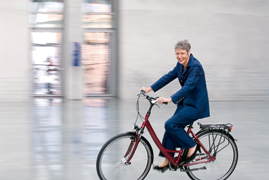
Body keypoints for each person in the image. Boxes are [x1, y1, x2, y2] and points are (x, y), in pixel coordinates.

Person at [140, 40, 210, 172]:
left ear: (189, 52)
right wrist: (149, 89)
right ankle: (168, 159)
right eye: (177, 53)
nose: (179, 56)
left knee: (170, 124)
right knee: (171, 127)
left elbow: (188, 87)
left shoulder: (196, 67)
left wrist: (170, 99)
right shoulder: (180, 65)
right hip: (185, 103)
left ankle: (192, 145)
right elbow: (168, 77)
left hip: (196, 105)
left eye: (182, 53)